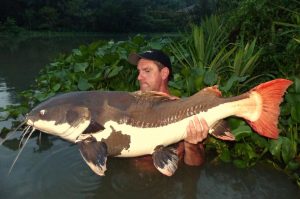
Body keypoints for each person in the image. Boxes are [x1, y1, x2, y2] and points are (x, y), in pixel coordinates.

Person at [128, 49, 209, 168]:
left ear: (164, 73)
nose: (139, 77)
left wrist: (192, 145)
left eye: (147, 71)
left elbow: (195, 165)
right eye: (139, 71)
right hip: (130, 178)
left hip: (169, 180)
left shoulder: (184, 111)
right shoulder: (128, 105)